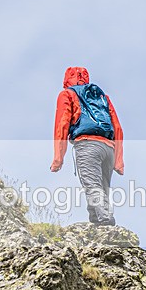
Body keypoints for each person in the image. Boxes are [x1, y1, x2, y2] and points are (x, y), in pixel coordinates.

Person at [50, 67, 124, 226]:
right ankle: (97, 222)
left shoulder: (67, 94)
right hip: (109, 148)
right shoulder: (102, 97)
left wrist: (58, 158)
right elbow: (117, 127)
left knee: (92, 185)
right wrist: (119, 161)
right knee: (102, 189)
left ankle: (106, 221)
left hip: (87, 145)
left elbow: (62, 124)